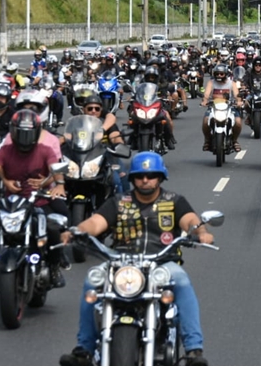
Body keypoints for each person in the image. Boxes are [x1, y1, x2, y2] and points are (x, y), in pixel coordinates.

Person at [58, 152, 213, 367]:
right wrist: (78, 230)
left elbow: (190, 221)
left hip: (162, 263)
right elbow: (96, 222)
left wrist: (200, 232)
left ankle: (194, 350)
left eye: (151, 175)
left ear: (160, 177)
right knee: (92, 281)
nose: (145, 180)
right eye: (140, 176)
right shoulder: (119, 202)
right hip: (121, 263)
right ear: (132, 179)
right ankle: (84, 349)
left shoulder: (174, 201)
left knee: (182, 281)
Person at [0, 109, 69, 288]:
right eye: (21, 133)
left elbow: (56, 170)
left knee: (53, 227)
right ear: (13, 132)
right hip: (12, 202)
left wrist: (57, 185)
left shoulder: (46, 150)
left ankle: (55, 267)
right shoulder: (5, 151)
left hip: (39, 201)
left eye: (29, 134)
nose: (25, 139)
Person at [200, 64, 243, 153]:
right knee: (205, 121)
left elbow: (236, 95)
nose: (219, 76)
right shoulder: (211, 82)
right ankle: (207, 141)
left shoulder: (232, 83)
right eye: (217, 74)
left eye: (221, 74)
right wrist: (205, 100)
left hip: (229, 107)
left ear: (225, 74)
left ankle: (235, 141)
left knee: (238, 122)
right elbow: (207, 94)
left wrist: (238, 101)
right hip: (214, 107)